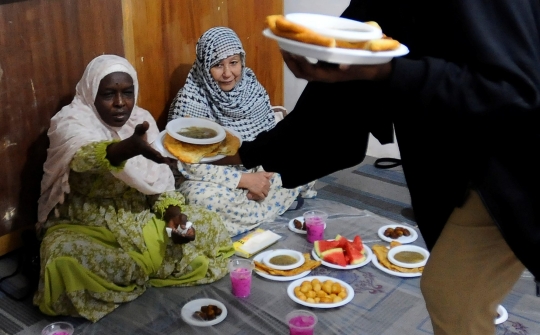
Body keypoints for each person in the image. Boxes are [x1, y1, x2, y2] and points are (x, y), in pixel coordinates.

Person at [217, 1, 540, 334]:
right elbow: (332, 96)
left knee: (451, 296)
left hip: (516, 165)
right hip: (463, 163)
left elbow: (515, 92)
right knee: (453, 293)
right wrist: (247, 152)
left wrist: (386, 72)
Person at [33, 55, 235, 322]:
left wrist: (175, 218)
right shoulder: (71, 122)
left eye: (127, 93)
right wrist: (126, 148)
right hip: (88, 226)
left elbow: (160, 186)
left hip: (139, 218)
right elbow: (83, 156)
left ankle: (135, 270)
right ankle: (144, 268)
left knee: (209, 225)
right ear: (91, 93)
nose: (120, 103)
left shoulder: (141, 120)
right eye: (108, 94)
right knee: (61, 257)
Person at [168, 27, 316, 237]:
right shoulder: (190, 100)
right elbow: (187, 164)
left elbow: (272, 140)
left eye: (233, 63)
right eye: (217, 65)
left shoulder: (251, 87)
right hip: (213, 179)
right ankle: (273, 202)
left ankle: (246, 209)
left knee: (307, 153)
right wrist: (244, 181)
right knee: (198, 199)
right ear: (203, 66)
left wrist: (265, 173)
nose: (228, 73)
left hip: (256, 167)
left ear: (242, 61)